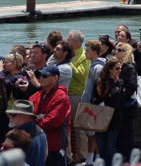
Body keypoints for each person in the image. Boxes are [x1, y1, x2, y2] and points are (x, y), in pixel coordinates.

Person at [29, 65, 71, 166]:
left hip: (54, 145)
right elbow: (26, 116)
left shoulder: (61, 96)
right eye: (39, 75)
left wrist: (33, 123)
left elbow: (52, 121)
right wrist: (39, 117)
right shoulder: (36, 95)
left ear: (55, 78)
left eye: (45, 76)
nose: (40, 78)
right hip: (37, 144)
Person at [91, 58, 128, 165]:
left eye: (120, 68)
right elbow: (95, 99)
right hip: (100, 117)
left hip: (114, 118)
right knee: (102, 148)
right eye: (117, 68)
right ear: (110, 70)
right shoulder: (100, 82)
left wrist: (113, 89)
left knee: (111, 148)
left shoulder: (120, 82)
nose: (120, 70)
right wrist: (109, 94)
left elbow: (116, 96)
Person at [110, 43, 138, 159]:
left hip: (127, 105)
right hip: (119, 104)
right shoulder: (119, 65)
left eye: (119, 49)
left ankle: (127, 156)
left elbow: (132, 86)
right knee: (121, 131)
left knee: (127, 132)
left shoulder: (129, 67)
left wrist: (120, 97)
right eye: (116, 49)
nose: (116, 51)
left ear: (125, 52)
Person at [65, 31, 88, 165]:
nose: (67, 40)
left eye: (69, 39)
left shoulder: (84, 56)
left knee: (79, 127)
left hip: (76, 95)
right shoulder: (69, 54)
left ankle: (83, 155)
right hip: (66, 94)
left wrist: (69, 63)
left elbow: (82, 76)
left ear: (76, 41)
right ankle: (70, 156)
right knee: (67, 126)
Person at [5, 100, 46, 166]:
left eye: (13, 114)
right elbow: (45, 155)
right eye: (10, 114)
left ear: (24, 115)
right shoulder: (42, 132)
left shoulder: (17, 135)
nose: (10, 117)